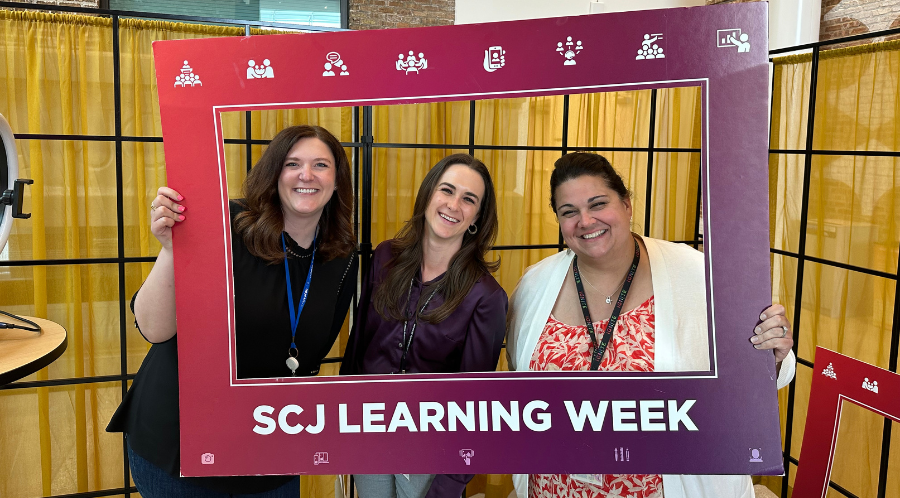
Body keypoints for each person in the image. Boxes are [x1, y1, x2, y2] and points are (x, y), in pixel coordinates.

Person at [506, 152, 796, 498]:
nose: (585, 220)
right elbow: (519, 384)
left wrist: (772, 352)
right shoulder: (534, 285)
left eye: (598, 203)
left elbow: (750, 379)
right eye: (569, 212)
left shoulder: (699, 275)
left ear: (627, 204)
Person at [107, 125, 358, 497]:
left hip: (268, 440)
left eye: (321, 164)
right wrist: (172, 250)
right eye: (293, 164)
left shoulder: (341, 257)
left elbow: (311, 354)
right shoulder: (226, 224)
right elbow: (153, 329)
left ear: (337, 182)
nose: (307, 175)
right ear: (274, 175)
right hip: (181, 439)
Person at [340, 153, 508, 498]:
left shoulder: (486, 297)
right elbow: (359, 343)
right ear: (429, 194)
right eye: (447, 190)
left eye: (469, 199)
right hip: (369, 428)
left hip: (430, 449)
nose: (453, 205)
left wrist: (450, 485)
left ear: (477, 217)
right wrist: (342, 421)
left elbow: (475, 406)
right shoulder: (386, 257)